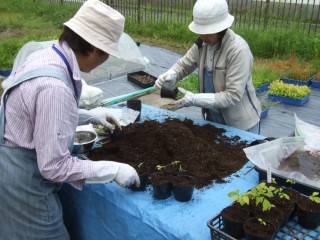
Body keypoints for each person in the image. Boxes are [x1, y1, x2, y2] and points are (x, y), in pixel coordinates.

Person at [0, 1, 140, 239]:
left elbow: (41, 116)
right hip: (24, 183)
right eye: (106, 54)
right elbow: (54, 166)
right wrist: (112, 169)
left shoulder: (46, 55)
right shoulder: (55, 87)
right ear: (95, 49)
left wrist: (89, 114)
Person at [155, 0, 261, 134]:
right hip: (213, 120)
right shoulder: (202, 44)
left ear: (221, 28)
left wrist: (194, 99)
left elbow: (232, 95)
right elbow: (184, 65)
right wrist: (172, 74)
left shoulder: (238, 50)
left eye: (208, 32)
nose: (203, 36)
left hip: (241, 126)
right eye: (201, 32)